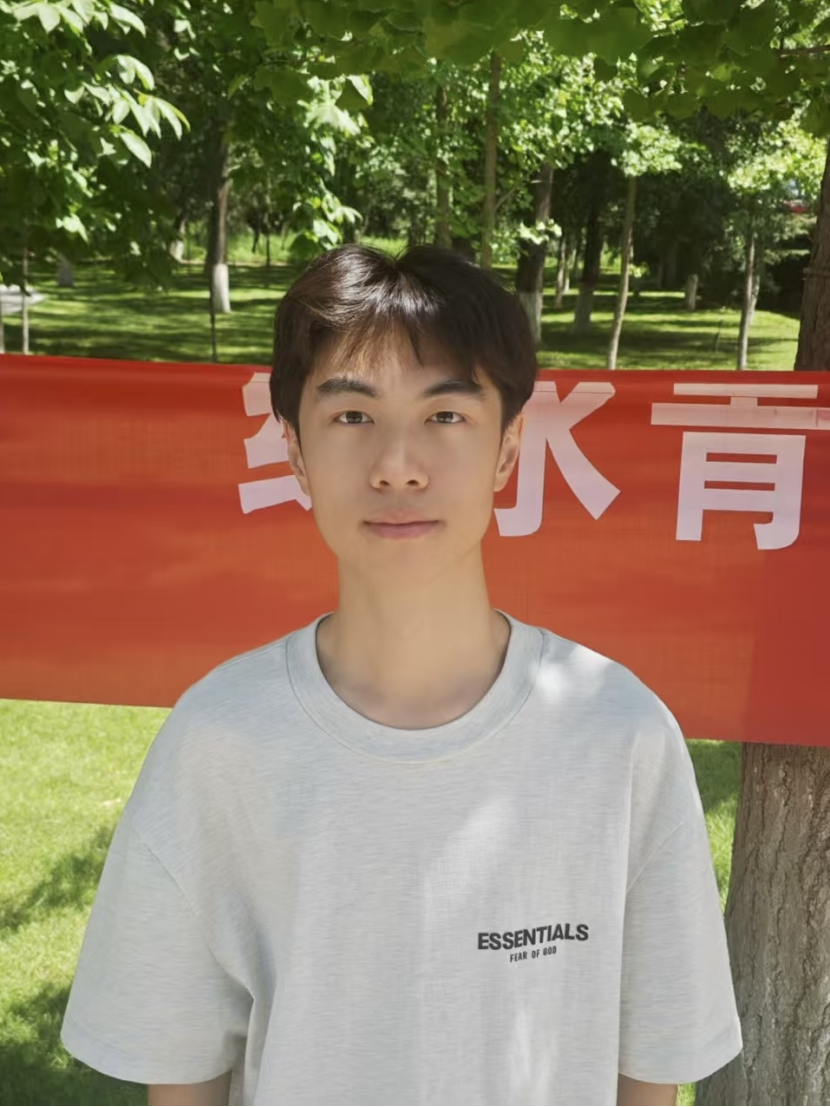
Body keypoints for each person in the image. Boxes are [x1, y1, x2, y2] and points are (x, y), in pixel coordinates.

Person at [61, 245, 742, 1107]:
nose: (397, 464)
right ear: (294, 451)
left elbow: (654, 1058)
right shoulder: (219, 740)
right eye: (352, 415)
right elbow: (182, 1065)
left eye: (445, 414)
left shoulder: (620, 732)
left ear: (508, 448)